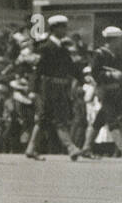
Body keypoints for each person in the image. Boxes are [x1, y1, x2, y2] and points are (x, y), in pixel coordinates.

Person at [25, 15, 83, 160]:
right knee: (59, 118)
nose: (65, 30)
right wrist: (33, 90)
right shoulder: (44, 47)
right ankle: (71, 147)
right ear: (54, 28)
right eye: (62, 27)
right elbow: (37, 71)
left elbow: (71, 67)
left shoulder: (63, 48)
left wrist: (83, 78)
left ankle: (31, 148)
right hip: (48, 87)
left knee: (44, 118)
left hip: (61, 87)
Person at [81, 27, 122, 159]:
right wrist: (111, 75)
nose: (121, 42)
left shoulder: (117, 55)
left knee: (99, 120)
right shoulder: (99, 54)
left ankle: (86, 147)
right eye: (119, 39)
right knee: (111, 119)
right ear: (113, 40)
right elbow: (95, 73)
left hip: (116, 93)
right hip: (105, 92)